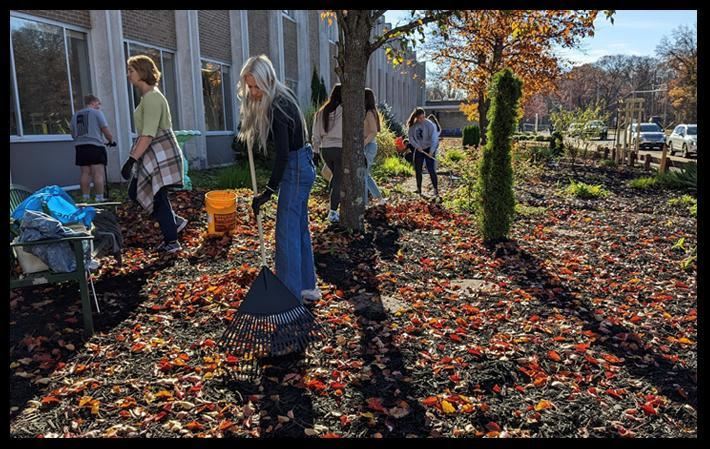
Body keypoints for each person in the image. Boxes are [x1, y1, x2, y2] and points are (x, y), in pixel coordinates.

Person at [241, 55, 321, 304]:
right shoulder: (280, 98)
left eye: (256, 86)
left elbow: (283, 156)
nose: (253, 92)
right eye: (249, 87)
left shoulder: (277, 107)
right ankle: (308, 287)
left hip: (296, 168)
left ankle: (288, 297)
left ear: (268, 80)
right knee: (298, 230)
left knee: (286, 233)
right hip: (303, 165)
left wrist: (267, 191)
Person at [121, 55, 188, 254]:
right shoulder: (149, 97)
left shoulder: (152, 98)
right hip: (154, 152)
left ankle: (172, 240)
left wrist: (131, 160)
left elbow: (148, 134)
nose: (128, 75)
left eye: (131, 71)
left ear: (142, 72)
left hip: (159, 151)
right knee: (141, 192)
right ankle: (173, 223)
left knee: (157, 195)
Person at [70, 95, 114, 202]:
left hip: (80, 147)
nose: (99, 107)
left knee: (85, 173)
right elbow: (104, 129)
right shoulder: (96, 113)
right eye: (98, 104)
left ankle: (86, 197)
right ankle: (99, 198)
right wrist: (110, 140)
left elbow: (72, 133)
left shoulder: (75, 115)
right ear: (93, 102)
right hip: (95, 146)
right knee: (97, 173)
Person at [312, 84, 343, 223]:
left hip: (325, 149)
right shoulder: (344, 110)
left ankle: (332, 207)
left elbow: (315, 134)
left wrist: (316, 151)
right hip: (339, 148)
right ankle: (333, 211)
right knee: (338, 179)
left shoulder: (322, 111)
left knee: (335, 178)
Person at [407, 108, 439, 199]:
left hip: (429, 149)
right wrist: (417, 146)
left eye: (423, 117)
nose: (422, 119)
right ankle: (419, 189)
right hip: (419, 150)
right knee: (418, 169)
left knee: (431, 169)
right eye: (420, 118)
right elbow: (411, 138)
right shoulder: (413, 126)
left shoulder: (429, 125)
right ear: (416, 117)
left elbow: (434, 139)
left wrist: (431, 151)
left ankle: (436, 189)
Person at [363, 88, 384, 206]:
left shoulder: (370, 112)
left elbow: (373, 131)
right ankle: (380, 199)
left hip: (369, 146)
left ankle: (364, 203)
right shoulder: (368, 111)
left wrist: (364, 143)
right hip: (368, 145)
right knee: (365, 174)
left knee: (363, 175)